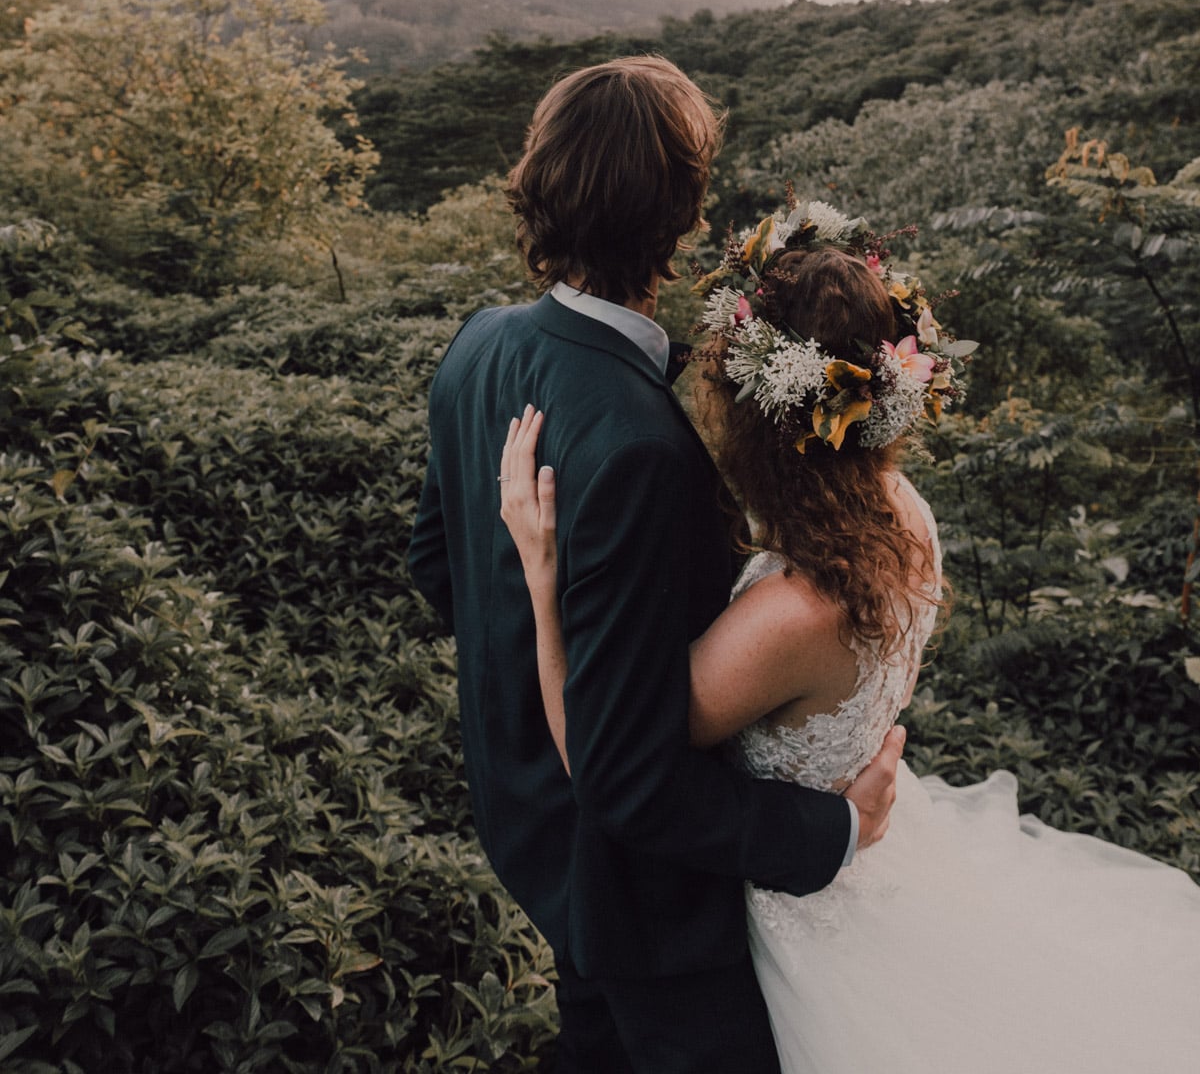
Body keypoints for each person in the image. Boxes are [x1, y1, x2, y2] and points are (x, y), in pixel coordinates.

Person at [500, 198, 1200, 1074]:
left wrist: (540, 574)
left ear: (760, 406)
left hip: (799, 924)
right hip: (885, 855)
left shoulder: (790, 615)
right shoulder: (906, 515)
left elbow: (601, 758)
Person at [407, 58, 904, 1074]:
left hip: (525, 829)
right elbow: (632, 779)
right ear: (683, 214)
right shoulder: (642, 445)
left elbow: (436, 570)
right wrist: (831, 833)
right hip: (638, 896)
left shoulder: (477, 346)